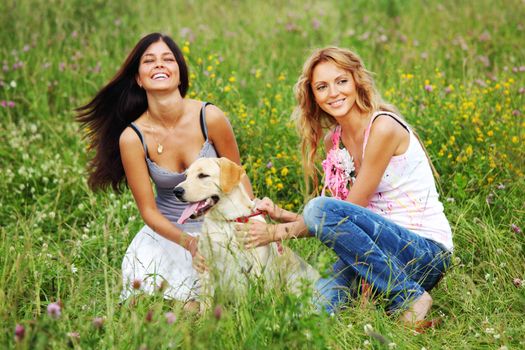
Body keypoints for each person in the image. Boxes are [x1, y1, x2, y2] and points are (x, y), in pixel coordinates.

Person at [236, 47, 452, 328]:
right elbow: (337, 221)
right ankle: (392, 304)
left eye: (341, 81)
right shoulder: (333, 142)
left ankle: (408, 297)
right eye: (322, 87)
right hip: (377, 254)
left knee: (317, 208)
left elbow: (347, 209)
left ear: (357, 81)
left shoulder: (383, 127)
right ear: (313, 95)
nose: (334, 92)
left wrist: (274, 233)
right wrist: (281, 214)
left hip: (422, 252)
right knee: (310, 314)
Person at [76, 33, 252, 307]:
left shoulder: (211, 117)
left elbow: (238, 175)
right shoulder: (132, 138)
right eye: (149, 61)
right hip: (170, 237)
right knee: (155, 308)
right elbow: (148, 211)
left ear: (179, 74)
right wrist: (190, 244)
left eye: (167, 59)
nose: (159, 65)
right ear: (139, 77)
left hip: (220, 231)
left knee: (230, 303)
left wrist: (249, 222)